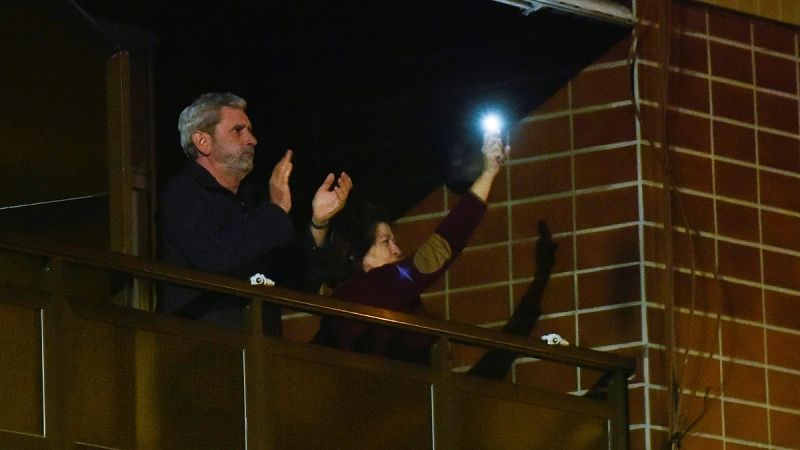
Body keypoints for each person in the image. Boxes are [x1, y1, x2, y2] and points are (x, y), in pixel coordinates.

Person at [158, 92, 352, 333]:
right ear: (203, 142)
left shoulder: (253, 202)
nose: (252, 140)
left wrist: (319, 224)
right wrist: (277, 210)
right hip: (204, 353)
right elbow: (215, 258)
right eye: (237, 131)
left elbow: (300, 281)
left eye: (250, 130)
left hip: (260, 352)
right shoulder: (183, 192)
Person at [312, 131, 507, 363]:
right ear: (358, 257)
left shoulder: (383, 299)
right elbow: (443, 245)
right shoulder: (366, 290)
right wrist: (487, 174)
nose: (397, 250)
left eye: (394, 241)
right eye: (386, 242)